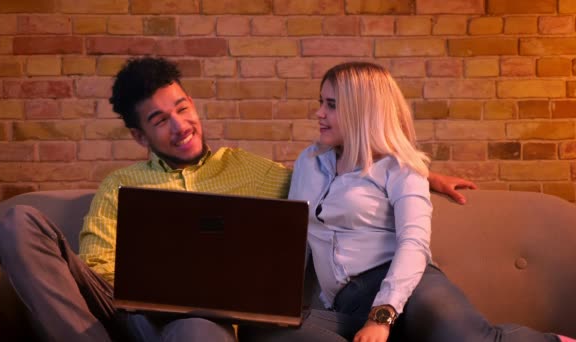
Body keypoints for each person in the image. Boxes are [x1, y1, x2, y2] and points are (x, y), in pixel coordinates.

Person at [0, 57, 476, 342]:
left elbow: (341, 185)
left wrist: (419, 173)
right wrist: (155, 283)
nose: (180, 126)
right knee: (17, 223)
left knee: (198, 331)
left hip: (200, 323)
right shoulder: (120, 184)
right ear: (140, 137)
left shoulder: (256, 173)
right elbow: (95, 266)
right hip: (123, 315)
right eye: (160, 121)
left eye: (182, 108)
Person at [239, 62, 574, 342]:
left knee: (473, 340)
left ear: (360, 111)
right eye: (321, 102)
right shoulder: (309, 162)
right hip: (347, 303)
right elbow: (298, 233)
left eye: (331, 105)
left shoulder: (401, 167)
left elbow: (413, 244)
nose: (319, 113)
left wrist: (382, 316)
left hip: (411, 288)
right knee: (261, 331)